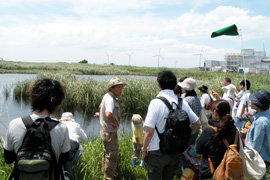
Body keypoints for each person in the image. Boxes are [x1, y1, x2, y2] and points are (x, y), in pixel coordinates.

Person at [3, 78, 71, 180]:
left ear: (33, 98)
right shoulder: (61, 128)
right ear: (57, 102)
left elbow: (8, 159)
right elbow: (64, 159)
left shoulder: (14, 124)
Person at [141, 70, 200, 180]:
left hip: (157, 152)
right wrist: (184, 135)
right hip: (174, 151)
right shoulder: (181, 102)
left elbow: (149, 132)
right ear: (175, 85)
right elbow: (197, 123)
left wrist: (144, 150)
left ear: (159, 85)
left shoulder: (155, 103)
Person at [196, 99, 238, 180]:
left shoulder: (209, 131)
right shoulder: (234, 130)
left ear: (215, 113)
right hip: (229, 172)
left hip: (211, 172)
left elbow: (199, 149)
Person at [97, 77, 126, 180]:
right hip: (109, 132)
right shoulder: (110, 99)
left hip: (105, 131)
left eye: (121, 87)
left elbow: (101, 108)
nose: (121, 89)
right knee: (111, 155)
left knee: (106, 153)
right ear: (111, 88)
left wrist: (100, 115)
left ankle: (104, 173)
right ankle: (108, 177)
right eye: (118, 87)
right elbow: (108, 113)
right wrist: (115, 124)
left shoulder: (107, 96)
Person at [245, 90, 270, 180]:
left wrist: (251, 159)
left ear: (258, 104)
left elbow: (256, 145)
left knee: (257, 177)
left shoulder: (261, 121)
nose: (250, 101)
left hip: (259, 157)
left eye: (253, 100)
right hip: (265, 155)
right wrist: (251, 118)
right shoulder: (266, 115)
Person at [178, 77, 202, 170]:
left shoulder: (186, 100)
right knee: (190, 152)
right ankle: (192, 171)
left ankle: (185, 173)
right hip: (195, 129)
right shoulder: (196, 98)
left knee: (184, 154)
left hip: (188, 129)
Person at [59, 112, 88, 180]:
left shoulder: (59, 125)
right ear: (71, 118)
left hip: (61, 148)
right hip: (73, 147)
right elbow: (85, 139)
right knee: (70, 169)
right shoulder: (76, 125)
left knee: (61, 168)